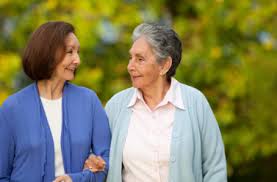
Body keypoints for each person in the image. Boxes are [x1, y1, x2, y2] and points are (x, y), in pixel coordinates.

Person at [102, 23, 227, 182]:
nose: (130, 66)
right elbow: (101, 160)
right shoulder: (116, 106)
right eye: (130, 57)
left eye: (140, 59)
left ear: (164, 65)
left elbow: (215, 169)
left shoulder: (196, 103)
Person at [0, 21, 111, 182]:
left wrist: (77, 179)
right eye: (70, 52)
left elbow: (107, 159)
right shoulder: (12, 108)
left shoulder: (89, 101)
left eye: (78, 52)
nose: (77, 60)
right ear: (48, 53)